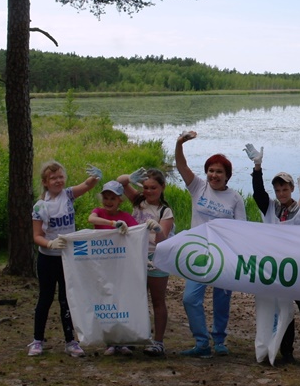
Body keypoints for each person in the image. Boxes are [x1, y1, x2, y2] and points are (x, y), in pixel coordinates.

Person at [176, 130, 246, 358]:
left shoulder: (235, 198)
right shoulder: (198, 187)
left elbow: (240, 229)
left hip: (223, 254)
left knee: (221, 299)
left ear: (227, 176)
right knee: (190, 298)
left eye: (219, 171)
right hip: (197, 251)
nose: (214, 175)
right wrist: (179, 144)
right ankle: (201, 342)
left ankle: (219, 340)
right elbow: (181, 166)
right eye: (211, 170)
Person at [246, 143, 300, 364]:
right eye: (278, 190)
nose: (281, 193)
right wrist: (257, 166)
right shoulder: (270, 207)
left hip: (290, 267)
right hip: (268, 265)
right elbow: (257, 192)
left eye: (285, 189)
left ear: (292, 188)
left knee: (287, 309)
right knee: (267, 307)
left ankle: (287, 351)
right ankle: (265, 346)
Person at [28, 161, 101, 357]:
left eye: (61, 176)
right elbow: (36, 236)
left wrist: (95, 177)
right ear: (45, 182)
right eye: (53, 178)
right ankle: (37, 340)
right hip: (48, 259)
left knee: (67, 300)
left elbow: (86, 186)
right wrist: (49, 244)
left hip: (68, 259)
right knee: (45, 299)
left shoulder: (68, 195)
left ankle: (71, 342)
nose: (58, 181)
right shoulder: (40, 206)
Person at [117, 168, 175, 357]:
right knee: (135, 298)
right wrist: (130, 178)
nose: (149, 192)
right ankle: (134, 337)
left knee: (158, 300)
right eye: (146, 188)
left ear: (162, 187)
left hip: (156, 258)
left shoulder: (165, 211)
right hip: (135, 256)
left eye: (153, 188)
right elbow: (121, 182)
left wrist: (157, 228)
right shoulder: (138, 201)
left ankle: (158, 342)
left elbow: (162, 240)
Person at [88, 180, 141, 356]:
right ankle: (110, 341)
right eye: (105, 198)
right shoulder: (99, 212)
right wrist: (113, 224)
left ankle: (123, 341)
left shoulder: (126, 216)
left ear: (120, 200)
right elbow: (91, 219)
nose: (108, 201)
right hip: (102, 267)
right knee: (106, 302)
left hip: (121, 268)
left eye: (112, 198)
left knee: (121, 302)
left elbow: (138, 232)